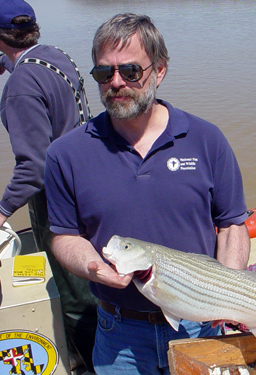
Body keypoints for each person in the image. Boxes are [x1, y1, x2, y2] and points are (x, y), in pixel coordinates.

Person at [44, 13, 250, 375]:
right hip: (117, 332)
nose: (117, 82)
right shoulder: (65, 153)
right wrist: (94, 268)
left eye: (131, 71)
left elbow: (233, 225)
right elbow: (64, 236)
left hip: (198, 325)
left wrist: (224, 293)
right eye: (104, 73)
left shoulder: (207, 140)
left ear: (159, 71)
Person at [0, 0, 97, 372]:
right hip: (83, 180)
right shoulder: (54, 56)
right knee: (87, 281)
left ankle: (91, 365)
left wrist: (2, 210)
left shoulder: (22, 84)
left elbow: (32, 168)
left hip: (54, 197)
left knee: (74, 298)